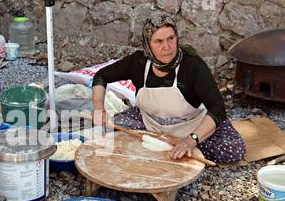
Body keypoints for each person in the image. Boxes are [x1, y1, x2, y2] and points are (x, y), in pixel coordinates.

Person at [92, 13, 245, 163]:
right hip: (150, 122)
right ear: (148, 45)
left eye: (170, 39)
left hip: (191, 125)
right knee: (111, 131)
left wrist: (191, 141)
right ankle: (169, 146)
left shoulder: (193, 66)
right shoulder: (138, 63)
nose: (166, 47)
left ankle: (180, 147)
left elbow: (218, 108)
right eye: (158, 41)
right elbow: (101, 76)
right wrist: (99, 109)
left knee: (234, 149)